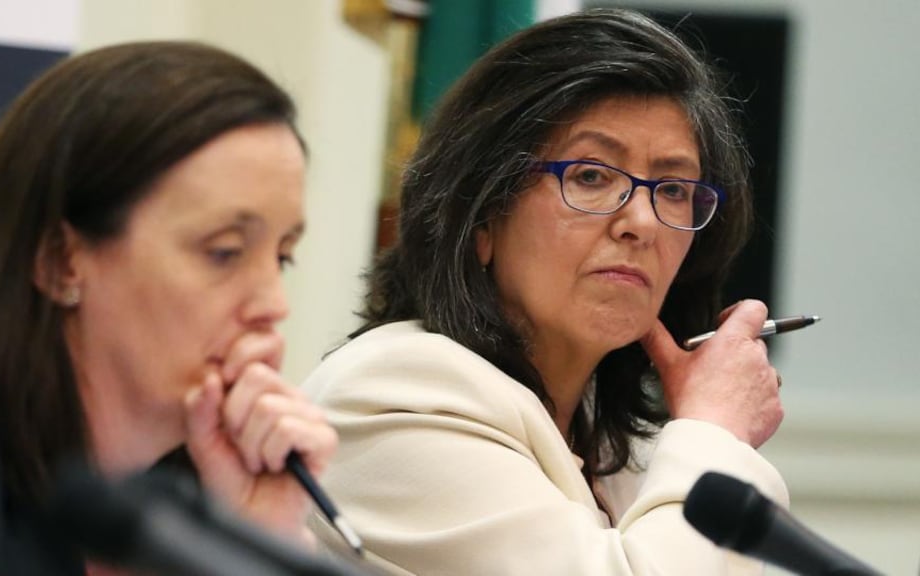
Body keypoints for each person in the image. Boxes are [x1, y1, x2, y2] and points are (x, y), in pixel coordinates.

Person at [302, 8, 787, 575]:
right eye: (591, 176)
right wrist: (716, 429)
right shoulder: (397, 394)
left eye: (674, 189)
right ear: (483, 217)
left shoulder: (620, 450)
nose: (642, 222)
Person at [0, 41, 338, 575]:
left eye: (283, 257)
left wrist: (257, 534)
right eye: (223, 252)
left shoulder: (189, 496)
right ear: (59, 260)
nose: (274, 304)